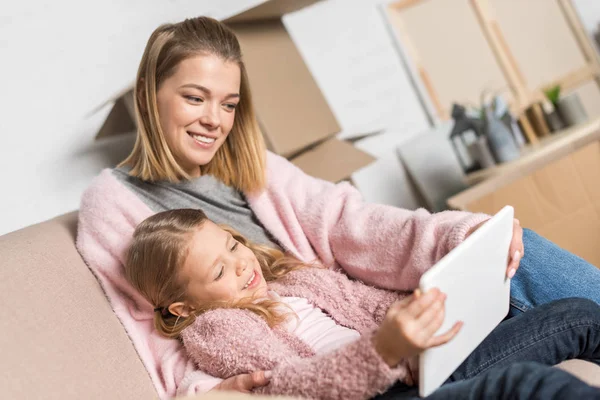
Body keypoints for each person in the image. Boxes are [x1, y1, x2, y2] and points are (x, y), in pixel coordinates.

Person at [76, 15, 600, 397]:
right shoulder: (113, 207)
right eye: (194, 98)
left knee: (510, 249)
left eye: (229, 104)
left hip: (377, 328)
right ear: (150, 93)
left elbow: (351, 224)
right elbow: (158, 330)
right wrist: (203, 393)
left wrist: (460, 235)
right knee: (532, 376)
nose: (215, 119)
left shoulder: (254, 164)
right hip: (343, 369)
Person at [123, 208, 600, 399]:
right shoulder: (220, 330)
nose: (241, 263)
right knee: (527, 384)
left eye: (231, 245)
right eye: (219, 272)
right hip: (383, 395)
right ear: (182, 307)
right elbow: (294, 388)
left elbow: (370, 305)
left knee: (577, 313)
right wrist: (385, 352)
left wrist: (414, 318)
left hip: (421, 365)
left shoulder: (294, 282)